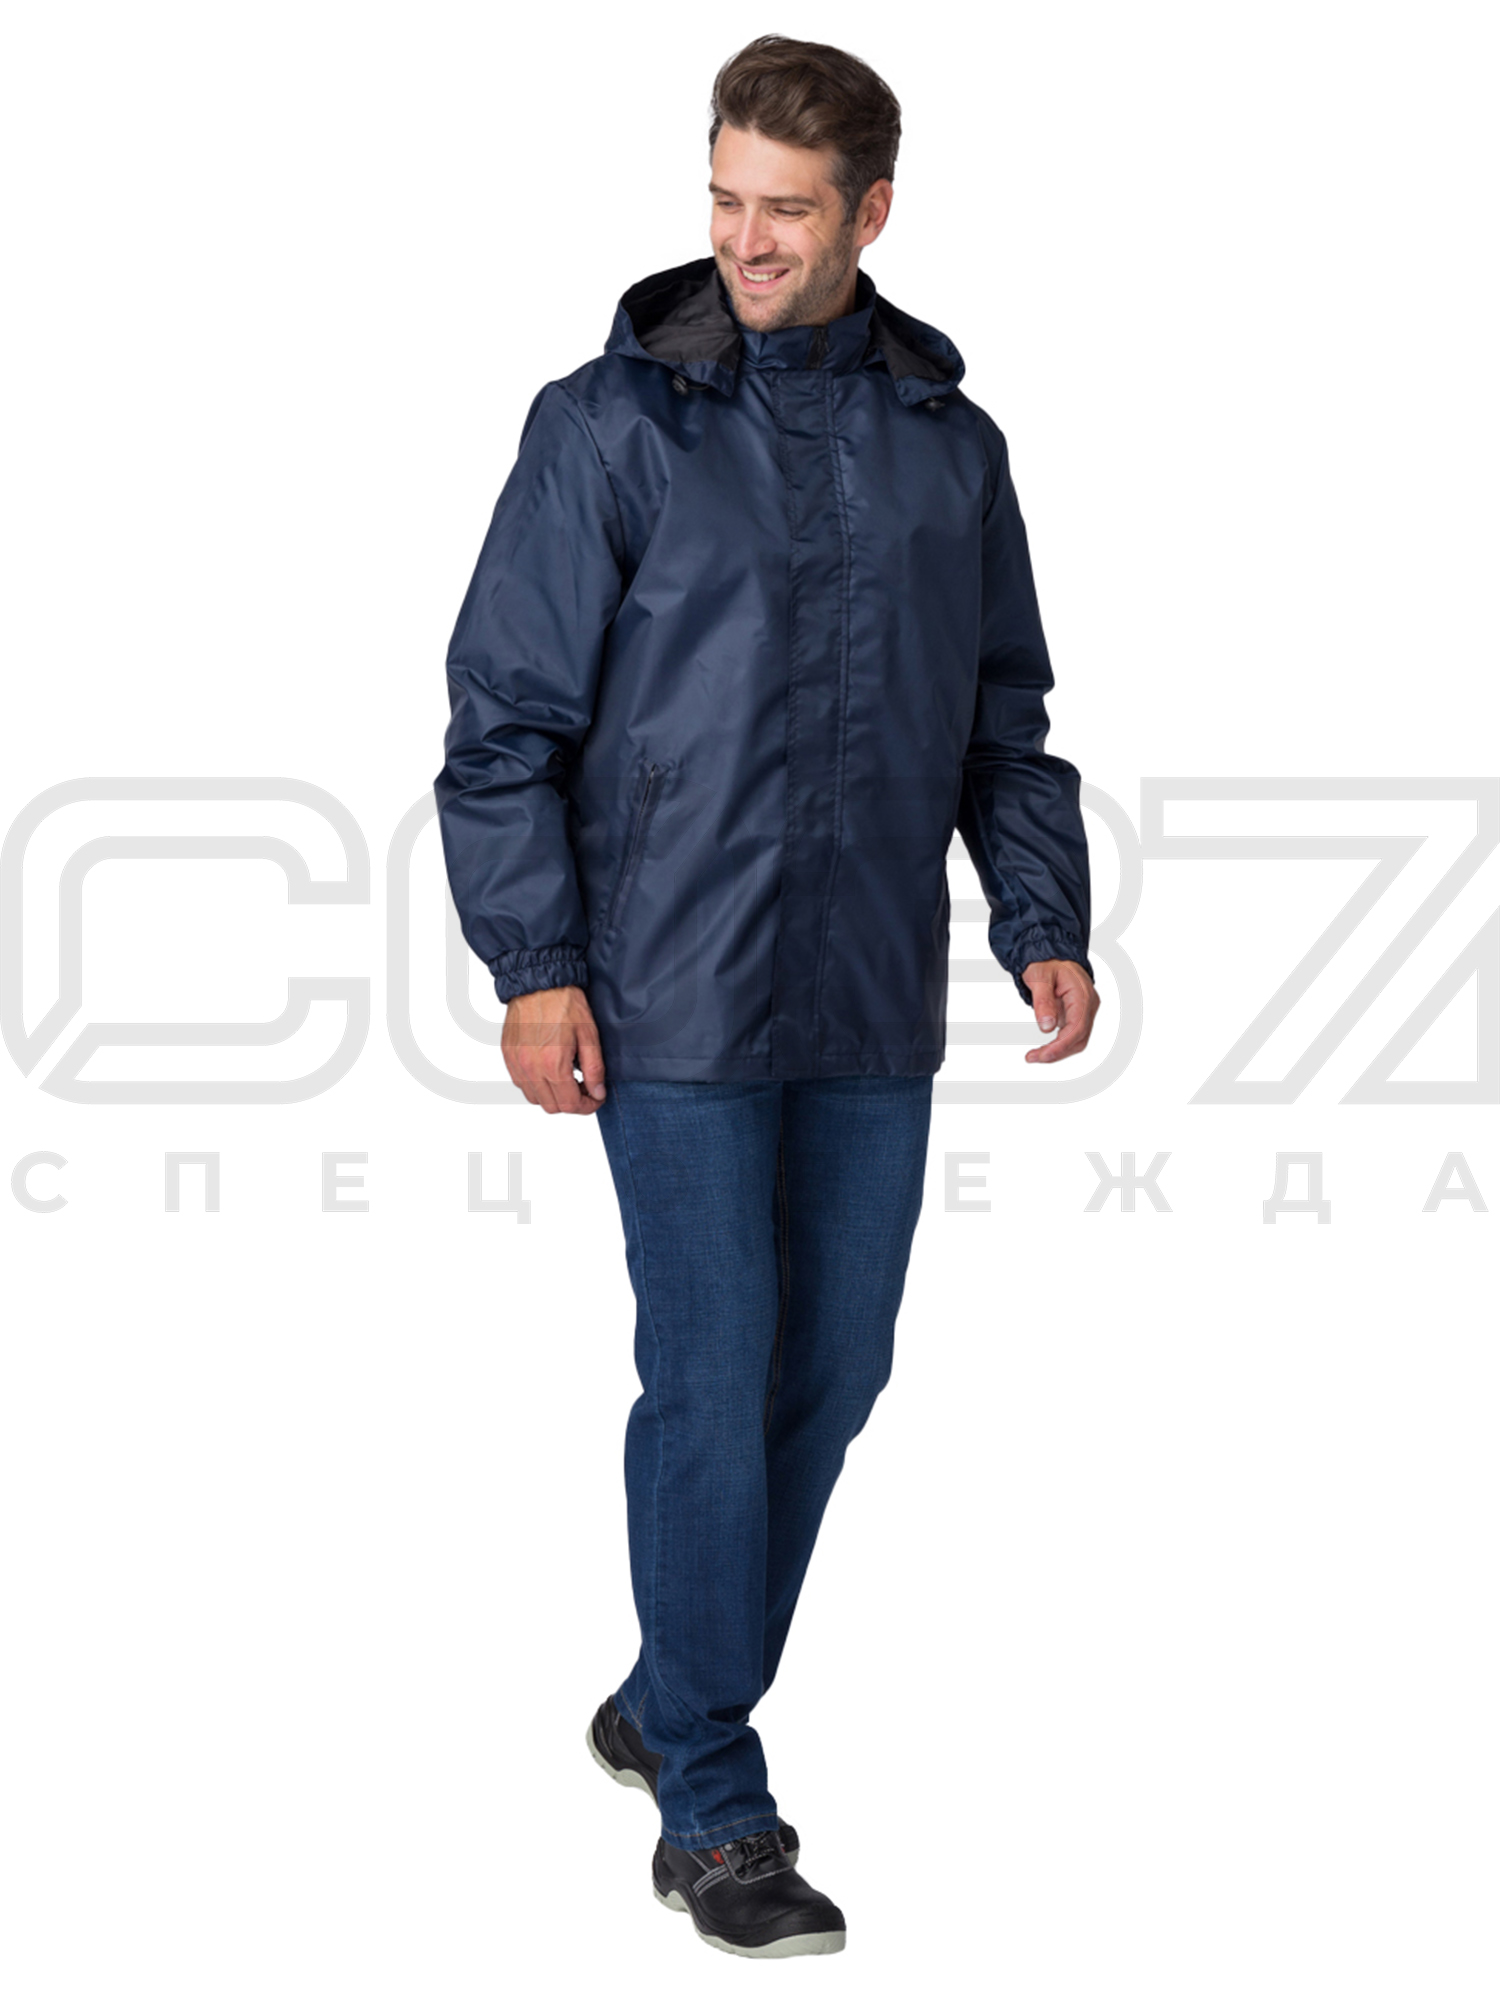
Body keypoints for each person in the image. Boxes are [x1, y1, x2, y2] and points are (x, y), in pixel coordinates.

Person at [434, 33, 1100, 1960]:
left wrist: (1040, 916)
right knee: (715, 1375)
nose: (746, 241)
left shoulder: (951, 449)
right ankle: (714, 1805)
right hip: (671, 992)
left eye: (787, 212)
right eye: (724, 201)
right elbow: (504, 726)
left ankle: (665, 1693)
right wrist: (539, 966)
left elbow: (1003, 720)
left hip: (870, 987)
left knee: (837, 1370)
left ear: (872, 212)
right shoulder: (608, 429)